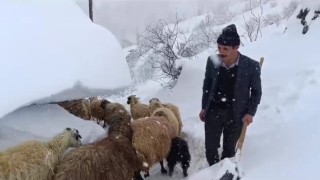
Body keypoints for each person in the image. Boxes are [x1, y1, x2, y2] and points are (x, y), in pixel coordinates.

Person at [199, 24, 262, 166]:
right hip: (214, 111)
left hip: (236, 115)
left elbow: (256, 92)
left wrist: (250, 113)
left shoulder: (251, 66)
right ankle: (213, 171)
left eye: (225, 48)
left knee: (229, 150)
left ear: (236, 47)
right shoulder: (212, 61)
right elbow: (207, 86)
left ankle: (225, 172)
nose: (221, 51)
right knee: (210, 148)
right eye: (219, 47)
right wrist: (204, 108)